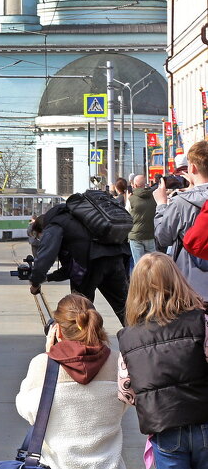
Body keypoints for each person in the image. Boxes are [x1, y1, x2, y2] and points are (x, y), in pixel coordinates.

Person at [117, 252, 208, 469]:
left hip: (164, 428)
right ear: (178, 281)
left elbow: (125, 392)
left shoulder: (128, 338)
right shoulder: (201, 321)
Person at [15, 294, 126, 469]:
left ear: (58, 330)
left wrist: (49, 355)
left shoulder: (42, 364)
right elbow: (125, 402)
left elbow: (27, 410)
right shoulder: (118, 361)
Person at [28, 195, 131, 325]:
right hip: (115, 258)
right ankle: (144, 340)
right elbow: (68, 269)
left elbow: (44, 259)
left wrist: (35, 282)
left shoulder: (54, 224)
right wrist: (47, 278)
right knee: (125, 308)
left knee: (80, 311)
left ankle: (82, 342)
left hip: (89, 265)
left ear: (41, 230)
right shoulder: (75, 218)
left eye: (39, 237)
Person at [154, 140, 208, 298]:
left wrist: (161, 205)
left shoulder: (181, 202)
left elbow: (162, 238)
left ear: (192, 167)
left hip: (190, 285)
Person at [128, 173, 157, 267]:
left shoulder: (131, 199)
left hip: (135, 236)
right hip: (150, 234)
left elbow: (126, 215)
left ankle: (141, 281)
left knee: (139, 265)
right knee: (153, 264)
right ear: (145, 184)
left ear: (135, 185)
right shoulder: (153, 197)